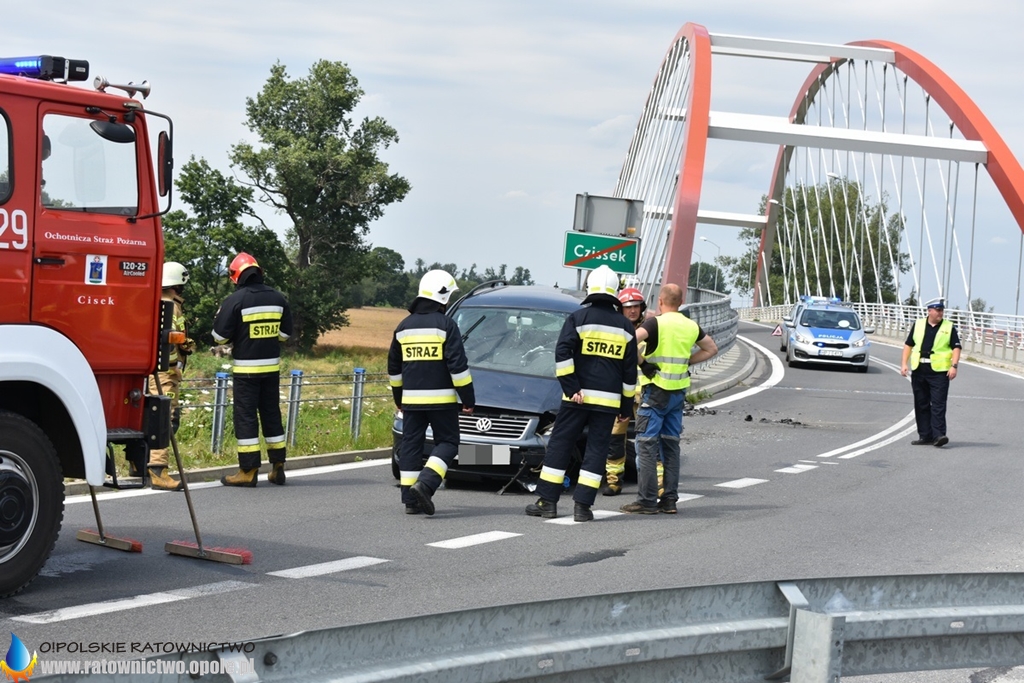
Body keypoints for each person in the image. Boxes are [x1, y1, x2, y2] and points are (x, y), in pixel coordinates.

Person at [526, 265, 638, 522]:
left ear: (590, 288)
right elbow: (629, 372)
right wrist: (625, 408)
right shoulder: (625, 327)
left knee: (560, 446)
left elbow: (562, 353)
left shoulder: (577, 318)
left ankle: (547, 502)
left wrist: (571, 387)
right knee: (597, 450)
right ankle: (583, 507)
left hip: (577, 398)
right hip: (608, 402)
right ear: (615, 292)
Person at [621, 283, 718, 515]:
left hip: (655, 392)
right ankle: (669, 500)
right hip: (678, 394)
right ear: (681, 302)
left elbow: (628, 342)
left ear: (660, 302)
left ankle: (646, 501)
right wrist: (687, 361)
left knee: (646, 446)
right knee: (671, 447)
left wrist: (643, 363)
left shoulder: (655, 323)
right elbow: (711, 349)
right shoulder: (691, 325)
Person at [389, 269, 475, 515]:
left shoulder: (403, 327)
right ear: (443, 297)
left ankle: (410, 500)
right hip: (442, 401)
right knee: (448, 442)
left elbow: (394, 369)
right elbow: (458, 367)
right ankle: (425, 485)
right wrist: (468, 399)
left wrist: (399, 399)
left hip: (411, 401)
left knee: (411, 445)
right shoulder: (446, 325)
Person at [213, 252, 294, 487]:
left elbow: (219, 337)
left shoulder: (235, 300)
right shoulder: (278, 298)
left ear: (236, 276)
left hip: (246, 371)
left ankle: (248, 471)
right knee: (271, 414)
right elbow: (284, 334)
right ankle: (277, 466)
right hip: (271, 369)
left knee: (246, 417)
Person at [145, 262, 195, 491]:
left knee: (153, 417)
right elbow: (171, 339)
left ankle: (143, 464)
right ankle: (158, 470)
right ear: (178, 284)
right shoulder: (171, 306)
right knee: (165, 420)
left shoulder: (153, 302)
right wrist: (185, 348)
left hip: (151, 370)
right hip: (165, 373)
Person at [601, 286, 648, 497]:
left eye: (636, 306)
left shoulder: (650, 330)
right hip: (620, 394)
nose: (632, 311)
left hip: (644, 394)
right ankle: (614, 481)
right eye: (628, 307)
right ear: (620, 309)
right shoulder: (615, 331)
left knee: (647, 440)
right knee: (615, 439)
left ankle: (652, 483)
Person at [900, 297, 961, 447]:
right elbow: (908, 345)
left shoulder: (949, 327)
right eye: (938, 310)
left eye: (942, 310)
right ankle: (925, 435)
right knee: (921, 403)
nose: (940, 313)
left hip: (939, 372)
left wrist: (954, 366)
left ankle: (939, 435)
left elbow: (956, 347)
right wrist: (904, 364)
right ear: (929, 311)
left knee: (938, 404)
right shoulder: (919, 324)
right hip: (919, 369)